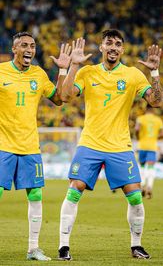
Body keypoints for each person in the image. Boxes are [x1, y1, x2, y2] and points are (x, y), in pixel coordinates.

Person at [58, 29, 163, 261]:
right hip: (90, 143)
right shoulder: (87, 72)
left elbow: (156, 101)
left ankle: (136, 245)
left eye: (118, 44)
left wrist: (154, 71)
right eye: (109, 43)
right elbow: (65, 96)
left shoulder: (133, 74)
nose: (113, 47)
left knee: (135, 196)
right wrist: (73, 65)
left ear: (123, 49)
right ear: (101, 47)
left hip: (120, 146)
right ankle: (63, 246)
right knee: (75, 188)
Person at [0, 32, 71, 261]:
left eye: (32, 45)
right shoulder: (1, 72)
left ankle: (33, 249)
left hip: (30, 145)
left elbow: (59, 99)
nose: (29, 49)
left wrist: (62, 70)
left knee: (36, 195)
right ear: (14, 49)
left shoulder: (39, 74)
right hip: (3, 145)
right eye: (24, 45)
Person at [135, 105, 163, 199]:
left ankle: (142, 185)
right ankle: (149, 187)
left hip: (142, 146)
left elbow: (136, 129)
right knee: (151, 167)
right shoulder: (158, 120)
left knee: (142, 166)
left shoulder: (141, 118)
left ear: (146, 110)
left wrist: (138, 137)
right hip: (152, 146)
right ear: (153, 110)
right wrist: (155, 137)